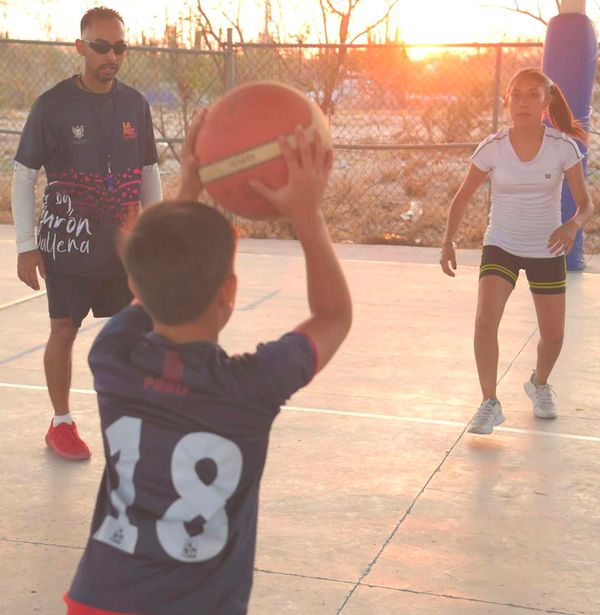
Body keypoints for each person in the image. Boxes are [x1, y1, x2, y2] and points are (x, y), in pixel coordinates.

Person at [64, 113, 352, 614]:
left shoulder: (111, 357)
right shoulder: (250, 387)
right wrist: (308, 216)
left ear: (134, 288)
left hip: (98, 599)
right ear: (230, 293)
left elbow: (150, 269)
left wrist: (189, 185)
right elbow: (333, 315)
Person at [11, 7, 162, 460]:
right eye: (101, 47)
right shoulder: (52, 105)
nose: (111, 56)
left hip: (124, 241)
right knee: (63, 328)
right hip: (69, 241)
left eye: (120, 47)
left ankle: (136, 423)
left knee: (140, 329)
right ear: (81, 47)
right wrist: (25, 246)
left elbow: (149, 169)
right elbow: (23, 175)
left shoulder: (136, 102)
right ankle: (61, 424)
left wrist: (154, 234)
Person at [440, 68, 594, 435]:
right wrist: (448, 240)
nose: (523, 102)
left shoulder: (563, 147)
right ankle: (489, 402)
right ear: (507, 101)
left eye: (532, 95)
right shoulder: (493, 147)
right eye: (517, 95)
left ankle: (539, 384)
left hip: (547, 245)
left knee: (554, 336)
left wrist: (572, 225)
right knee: (484, 321)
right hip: (502, 243)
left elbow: (587, 205)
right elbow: (462, 198)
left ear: (545, 102)